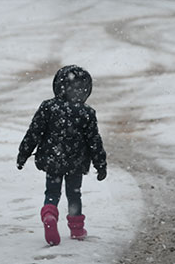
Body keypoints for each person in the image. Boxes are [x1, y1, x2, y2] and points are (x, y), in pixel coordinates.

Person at [17, 65, 107, 246]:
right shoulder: (86, 112)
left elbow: (34, 132)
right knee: (74, 194)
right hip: (76, 161)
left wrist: (23, 153)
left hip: (53, 159)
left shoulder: (48, 107)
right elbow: (94, 141)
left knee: (52, 191)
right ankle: (76, 229)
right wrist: (100, 163)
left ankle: (49, 214)